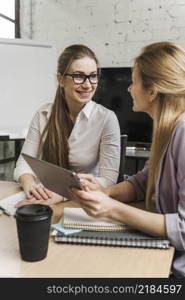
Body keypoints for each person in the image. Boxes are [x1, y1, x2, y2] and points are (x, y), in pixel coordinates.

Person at [71, 41, 185, 278]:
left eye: (134, 82)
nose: (129, 89)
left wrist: (112, 209)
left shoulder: (183, 134)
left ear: (152, 91)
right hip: (164, 255)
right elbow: (143, 182)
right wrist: (105, 193)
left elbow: (183, 231)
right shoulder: (167, 130)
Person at [14, 44, 121, 205]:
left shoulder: (106, 118)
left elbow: (108, 180)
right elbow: (23, 163)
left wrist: (62, 194)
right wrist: (29, 185)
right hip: (44, 197)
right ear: (61, 79)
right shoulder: (43, 115)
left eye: (93, 76)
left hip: (83, 202)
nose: (87, 85)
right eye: (79, 76)